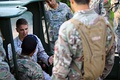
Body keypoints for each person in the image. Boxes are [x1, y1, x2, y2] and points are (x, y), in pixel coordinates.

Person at [51, 0, 115, 80]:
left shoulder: (68, 28)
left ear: (72, 1)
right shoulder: (105, 25)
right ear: (90, 1)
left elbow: (60, 70)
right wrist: (99, 76)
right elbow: (110, 60)